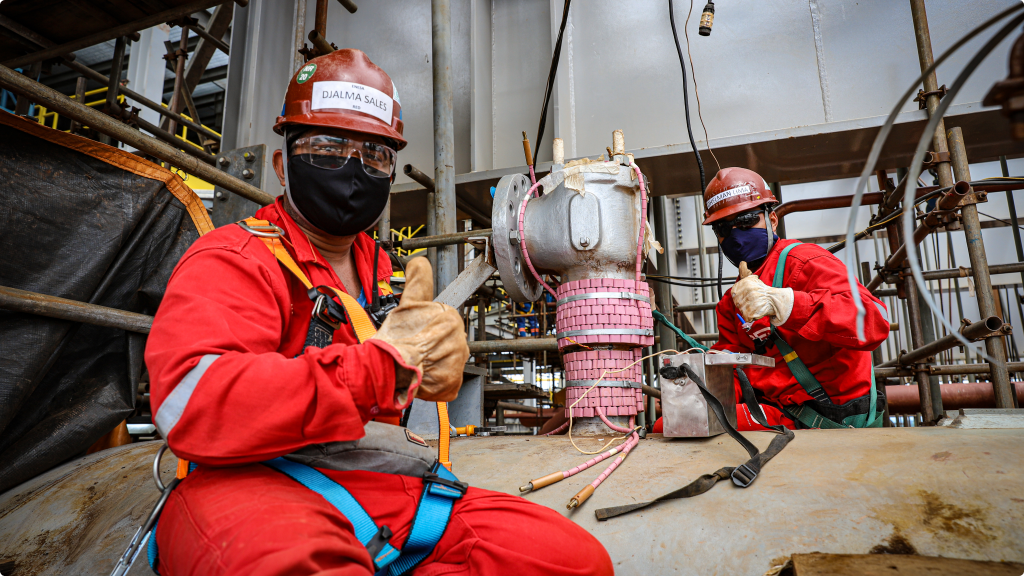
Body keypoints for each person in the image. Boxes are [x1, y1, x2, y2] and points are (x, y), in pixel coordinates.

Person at [146, 49, 611, 576]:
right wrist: (374, 371)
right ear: (282, 163)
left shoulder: (385, 271)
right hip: (253, 484)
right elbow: (190, 402)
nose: (352, 167)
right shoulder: (235, 258)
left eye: (374, 154)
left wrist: (437, 358)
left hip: (381, 482)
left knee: (572, 561)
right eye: (326, 147)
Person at [704, 167, 890, 430]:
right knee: (675, 423)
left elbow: (874, 322)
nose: (736, 234)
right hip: (780, 415)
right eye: (723, 228)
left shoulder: (804, 262)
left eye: (746, 221)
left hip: (832, 417)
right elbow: (733, 368)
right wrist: (700, 380)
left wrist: (788, 305)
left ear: (772, 219)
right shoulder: (732, 302)